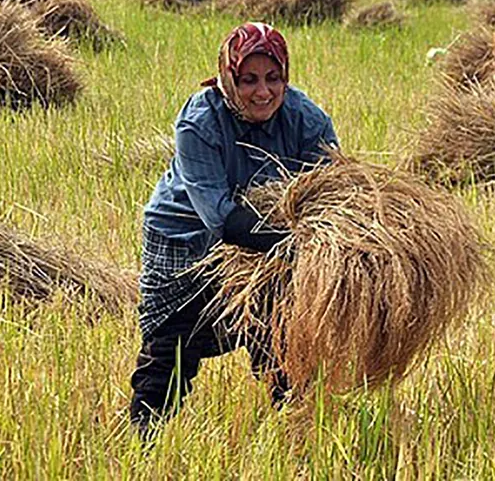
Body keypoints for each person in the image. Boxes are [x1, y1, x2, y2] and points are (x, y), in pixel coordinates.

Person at [130, 22, 339, 438]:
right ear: (228, 78)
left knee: (282, 335)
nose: (263, 92)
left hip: (269, 243)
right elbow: (220, 216)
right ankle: (141, 441)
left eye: (273, 78)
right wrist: (296, 245)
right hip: (186, 238)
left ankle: (294, 433)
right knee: (172, 348)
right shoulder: (201, 121)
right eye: (248, 80)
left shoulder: (306, 120)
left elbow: (333, 192)